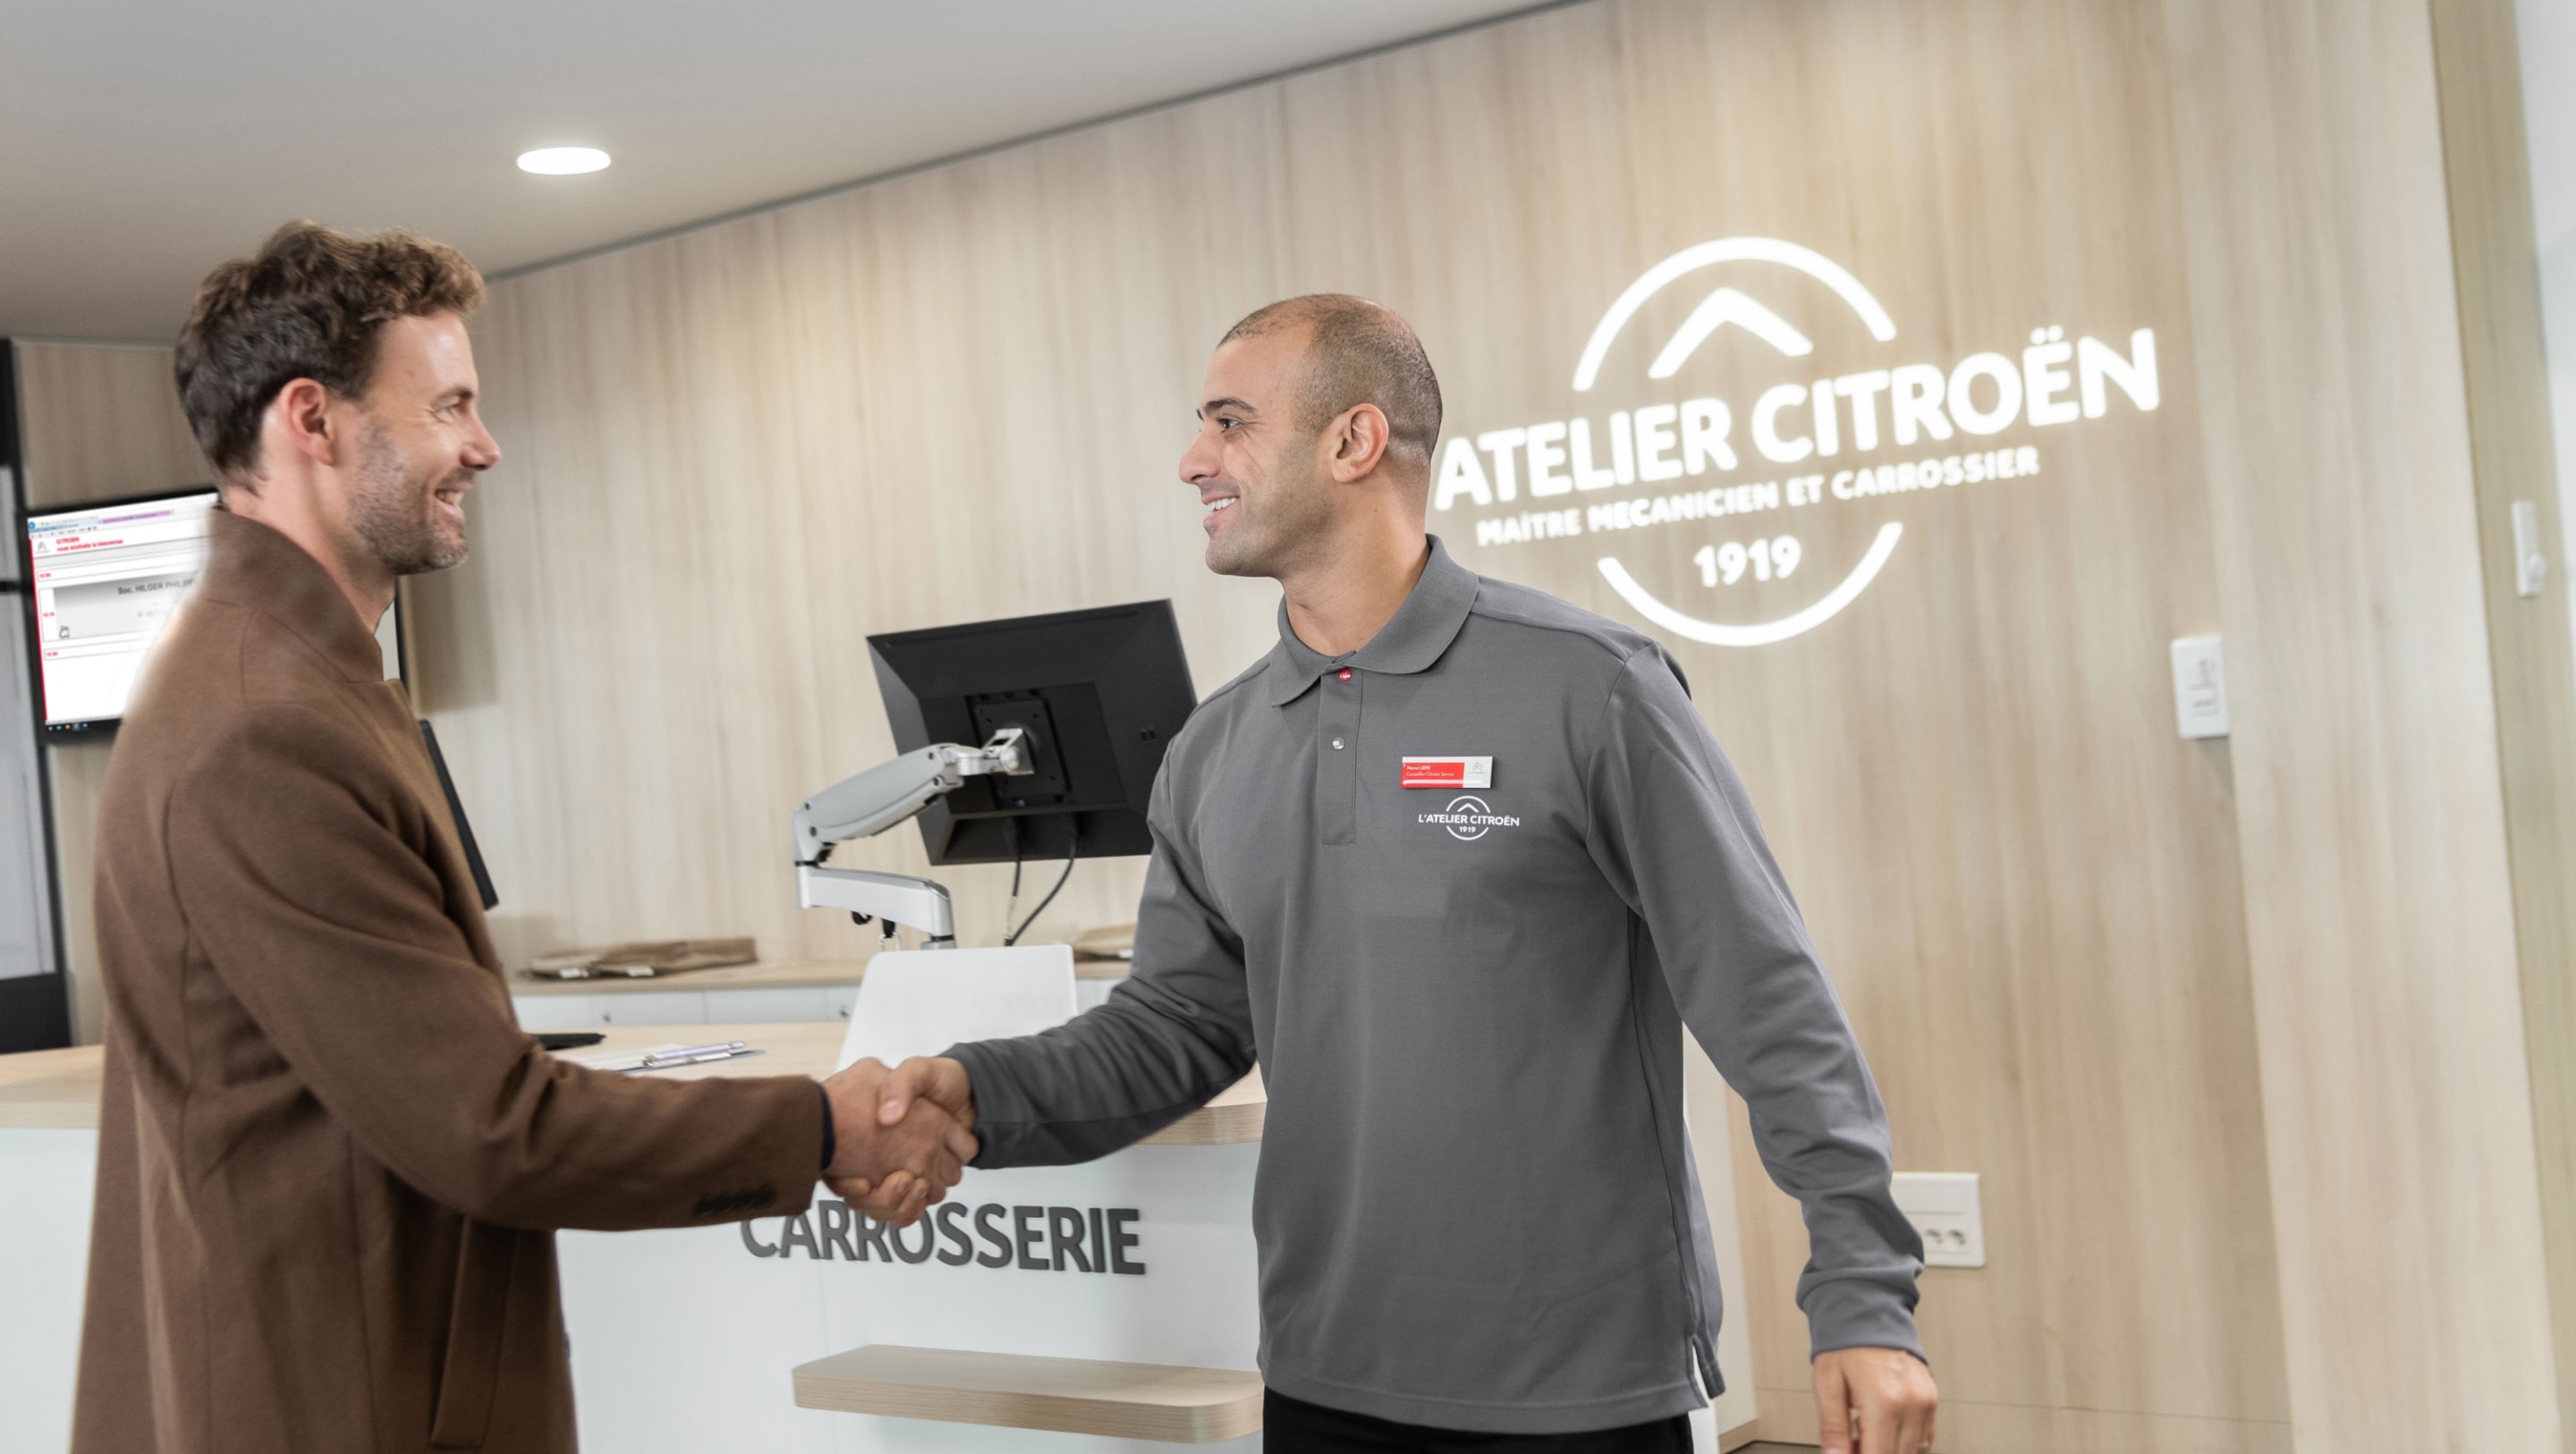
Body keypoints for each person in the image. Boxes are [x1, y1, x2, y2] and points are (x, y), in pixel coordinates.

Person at [873, 295, 1940, 1453]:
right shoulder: (1211, 751)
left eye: (1230, 422)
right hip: (1325, 1377)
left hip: (1577, 1387)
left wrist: (1862, 1294)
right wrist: (975, 1093)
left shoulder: (1592, 688)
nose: (1193, 461)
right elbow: (1174, 1027)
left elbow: (1767, 1000)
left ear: (1354, 441)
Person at [71, 221, 972, 1454]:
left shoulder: (280, 678)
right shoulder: (264, 726)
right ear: (312, 420)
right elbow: (489, 1129)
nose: (483, 446)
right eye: (448, 406)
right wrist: (823, 1128)